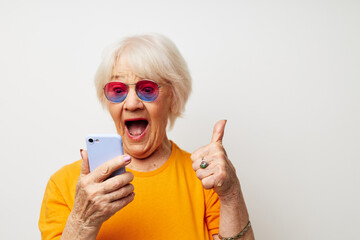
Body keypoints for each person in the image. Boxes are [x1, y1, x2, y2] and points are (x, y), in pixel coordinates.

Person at [39, 33, 254, 240]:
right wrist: (82, 220)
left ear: (174, 96)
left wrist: (231, 194)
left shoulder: (207, 179)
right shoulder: (65, 184)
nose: (132, 104)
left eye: (148, 88)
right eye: (117, 90)